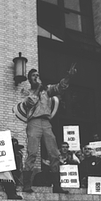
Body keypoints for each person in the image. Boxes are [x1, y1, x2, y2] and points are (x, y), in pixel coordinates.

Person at [21, 63, 77, 194]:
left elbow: (59, 87)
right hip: (34, 122)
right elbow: (29, 101)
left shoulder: (46, 91)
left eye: (38, 76)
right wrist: (37, 87)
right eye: (33, 76)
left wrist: (68, 76)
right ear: (29, 79)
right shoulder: (27, 92)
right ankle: (27, 185)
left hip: (46, 122)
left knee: (54, 153)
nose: (36, 77)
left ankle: (57, 186)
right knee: (32, 152)